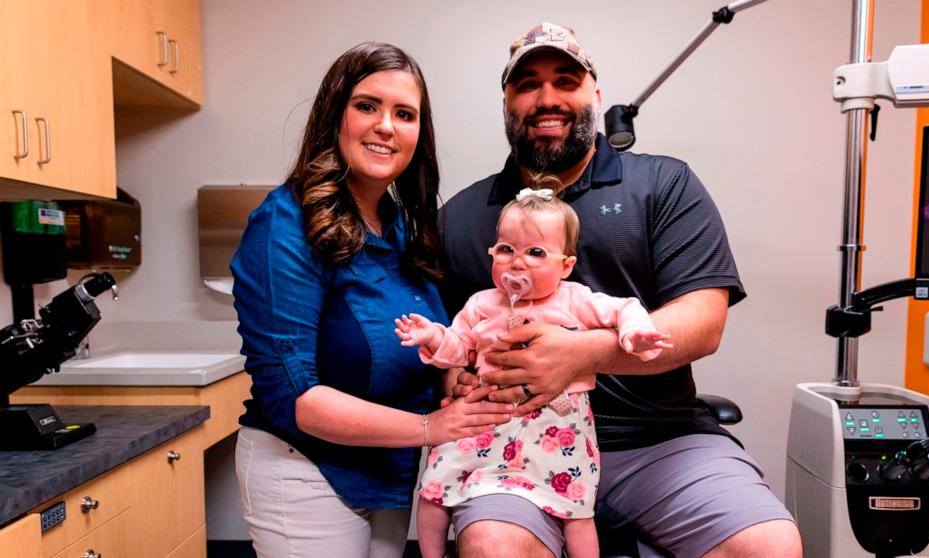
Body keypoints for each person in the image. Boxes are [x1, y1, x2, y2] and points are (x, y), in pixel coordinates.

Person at [440, 23, 803, 558]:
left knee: (768, 545)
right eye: (527, 84)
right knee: (493, 547)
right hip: (515, 450)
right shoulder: (462, 216)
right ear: (507, 101)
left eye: (566, 80)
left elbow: (704, 321)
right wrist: (452, 368)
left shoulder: (664, 184)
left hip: (659, 442)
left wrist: (581, 354)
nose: (547, 99)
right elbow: (449, 339)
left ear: (596, 96)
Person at [229, 42, 513, 558]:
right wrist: (433, 427)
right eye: (367, 106)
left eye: (404, 114)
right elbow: (295, 400)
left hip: (390, 467)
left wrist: (456, 376)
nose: (386, 126)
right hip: (307, 470)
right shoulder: (285, 224)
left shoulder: (405, 229)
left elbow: (428, 343)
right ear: (334, 115)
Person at [394, 188, 672, 558]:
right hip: (487, 421)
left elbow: (624, 308)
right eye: (506, 250)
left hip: (556, 427)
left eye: (536, 253)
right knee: (436, 485)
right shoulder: (481, 304)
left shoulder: (574, 299)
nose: (517, 263)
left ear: (566, 265)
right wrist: (434, 337)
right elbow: (460, 347)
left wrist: (632, 332)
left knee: (575, 510)